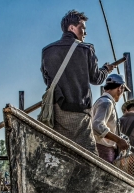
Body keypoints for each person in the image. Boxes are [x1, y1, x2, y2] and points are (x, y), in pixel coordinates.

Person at [41, 10, 114, 154]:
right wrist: (106, 69)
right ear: (71, 28)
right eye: (82, 28)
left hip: (56, 111)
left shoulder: (47, 51)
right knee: (88, 155)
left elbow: (47, 80)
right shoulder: (86, 49)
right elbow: (96, 79)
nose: (85, 33)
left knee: (61, 153)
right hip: (80, 112)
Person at [92, 74, 130, 163]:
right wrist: (118, 140)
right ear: (120, 88)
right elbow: (97, 126)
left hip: (103, 149)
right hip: (103, 150)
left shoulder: (102, 101)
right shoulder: (106, 103)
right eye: (123, 90)